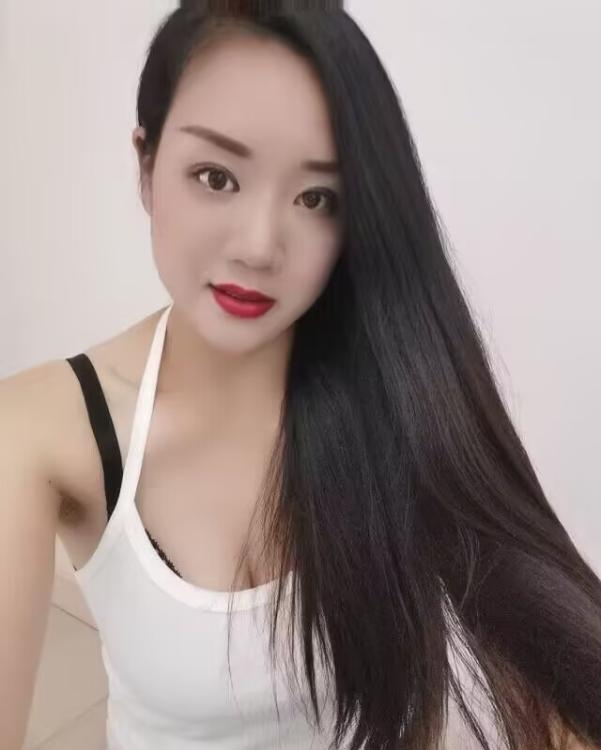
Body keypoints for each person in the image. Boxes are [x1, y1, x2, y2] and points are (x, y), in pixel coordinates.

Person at [1, 2, 600, 749]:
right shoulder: (41, 431)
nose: (259, 246)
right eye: (216, 176)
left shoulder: (392, 388)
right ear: (146, 166)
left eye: (316, 198)